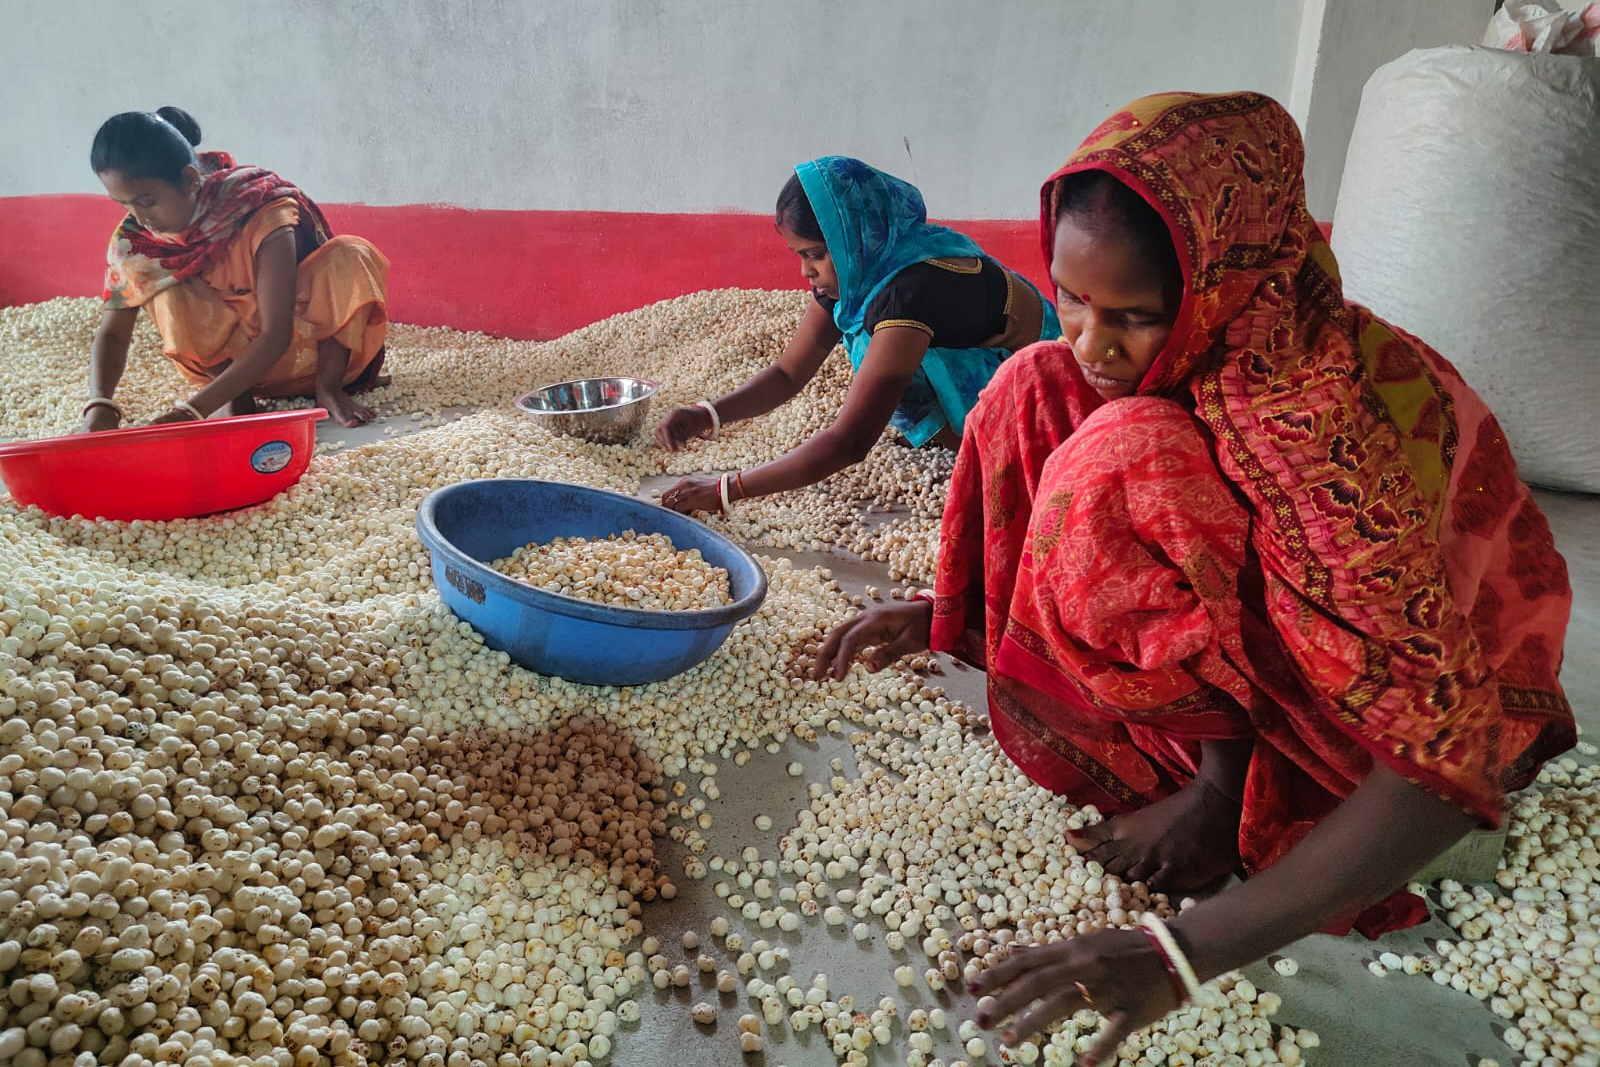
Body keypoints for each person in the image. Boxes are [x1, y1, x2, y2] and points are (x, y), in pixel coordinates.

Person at [811, 92, 1574, 1062]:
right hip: (1293, 629)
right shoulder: (1163, 349)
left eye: (1133, 316)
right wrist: (950, 612)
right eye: (1072, 297)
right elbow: (1093, 401)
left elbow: (1447, 750)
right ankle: (1204, 756)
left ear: (1224, 285)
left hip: (1402, 726)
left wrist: (1183, 952)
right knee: (1029, 384)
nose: (1093, 340)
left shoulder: (1317, 431)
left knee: (1122, 460)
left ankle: (1233, 791)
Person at [656, 156, 1059, 515]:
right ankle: (949, 429)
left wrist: (726, 490)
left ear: (853, 237)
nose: (806, 272)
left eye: (815, 254)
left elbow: (849, 442)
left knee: (886, 357)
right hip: (967, 348)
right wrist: (707, 414)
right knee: (882, 352)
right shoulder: (858, 272)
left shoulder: (909, 292)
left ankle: (983, 445)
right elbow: (787, 373)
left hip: (1039, 386)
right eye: (800, 256)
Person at [81, 108, 389, 432]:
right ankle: (238, 398)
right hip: (228, 378)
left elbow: (275, 335)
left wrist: (192, 412)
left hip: (304, 352)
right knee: (167, 287)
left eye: (147, 202)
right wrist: (99, 403)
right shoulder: (135, 242)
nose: (140, 217)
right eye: (123, 203)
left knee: (348, 254)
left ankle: (328, 387)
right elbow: (113, 333)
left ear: (189, 180)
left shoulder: (257, 207)